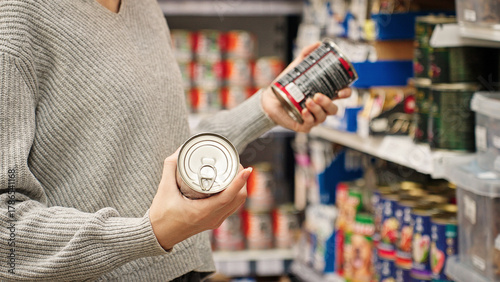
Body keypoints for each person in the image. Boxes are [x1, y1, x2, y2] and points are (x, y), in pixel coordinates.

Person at [0, 0, 351, 280]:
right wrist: (149, 233)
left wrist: (264, 108)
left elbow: (163, 154)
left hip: (182, 270)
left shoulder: (143, 7)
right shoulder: (14, 18)